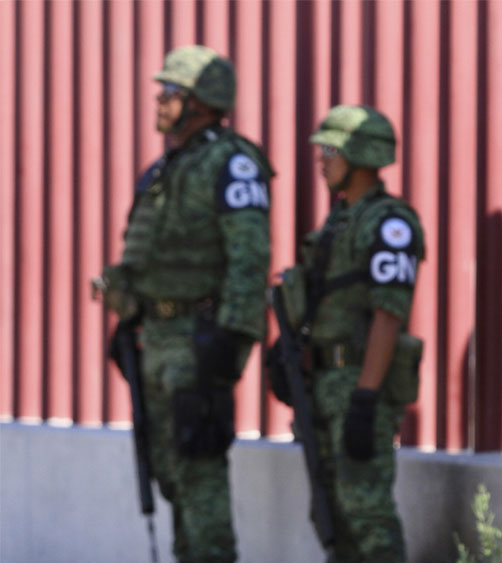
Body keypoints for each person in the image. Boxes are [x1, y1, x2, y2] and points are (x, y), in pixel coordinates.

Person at [98, 45, 273, 562]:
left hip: (198, 341)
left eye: (169, 93)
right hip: (156, 339)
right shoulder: (166, 169)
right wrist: (129, 318)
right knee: (171, 473)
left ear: (200, 101)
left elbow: (249, 257)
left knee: (199, 473)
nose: (159, 102)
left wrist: (232, 339)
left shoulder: (231, 163)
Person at [274, 104, 424, 563]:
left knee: (367, 514)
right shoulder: (339, 222)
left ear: (360, 155)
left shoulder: (389, 223)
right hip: (323, 386)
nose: (321, 160)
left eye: (330, 150)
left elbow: (387, 314)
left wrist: (364, 400)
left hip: (361, 387)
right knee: (332, 514)